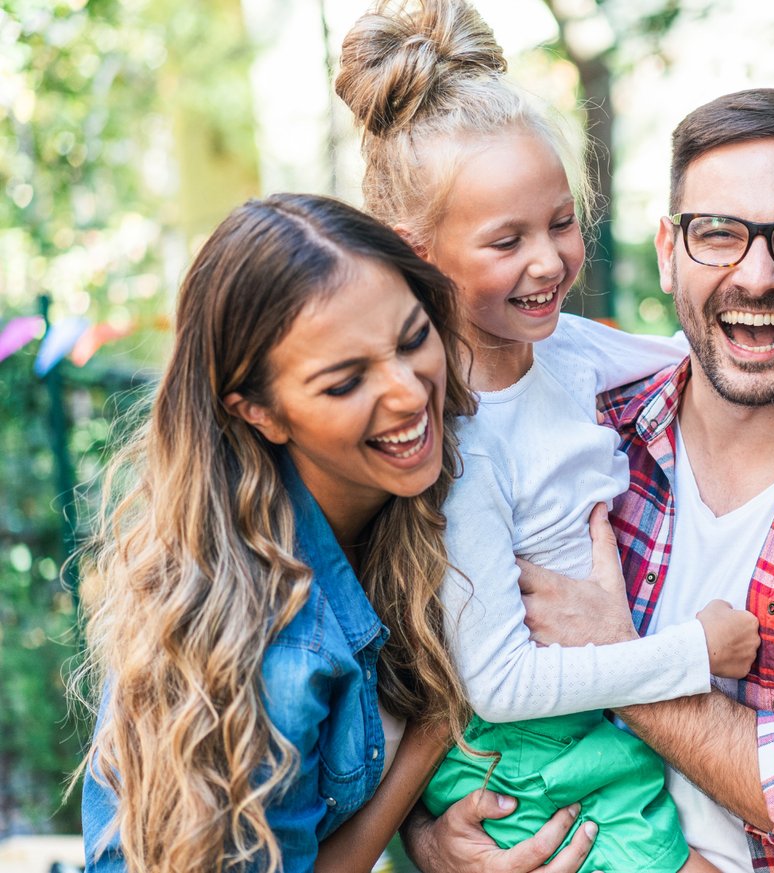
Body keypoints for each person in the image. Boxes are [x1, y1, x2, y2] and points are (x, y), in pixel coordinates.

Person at [334, 10, 774, 872]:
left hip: (586, 728)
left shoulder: (563, 351)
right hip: (522, 742)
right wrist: (693, 654)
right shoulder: (449, 436)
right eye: (507, 241)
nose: (549, 261)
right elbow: (493, 680)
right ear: (419, 254)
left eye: (560, 224)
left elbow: (721, 341)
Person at [438, 88, 774, 873]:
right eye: (719, 234)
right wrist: (436, 837)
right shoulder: (588, 432)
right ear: (668, 250)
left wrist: (620, 656)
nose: (757, 274)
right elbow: (440, 661)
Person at [76, 193, 501, 872]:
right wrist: (430, 738)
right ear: (261, 413)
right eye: (345, 382)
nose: (409, 392)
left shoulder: (401, 485)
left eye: (413, 337)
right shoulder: (277, 649)